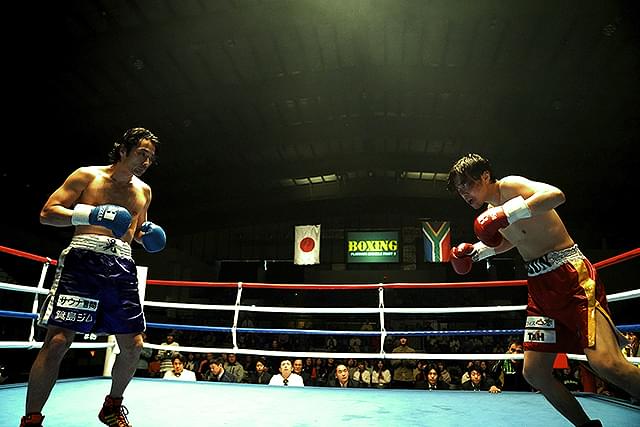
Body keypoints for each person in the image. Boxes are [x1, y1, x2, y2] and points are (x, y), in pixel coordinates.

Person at [447, 153, 640, 426]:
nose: (464, 192)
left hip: (570, 275)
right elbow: (509, 240)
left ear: (485, 176)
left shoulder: (510, 187)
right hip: (539, 287)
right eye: (459, 189)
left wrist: (506, 212)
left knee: (606, 364)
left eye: (467, 183)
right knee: (536, 373)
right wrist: (475, 252)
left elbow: (555, 195)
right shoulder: (487, 212)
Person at [19, 128, 165, 427]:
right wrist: (91, 215)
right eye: (142, 153)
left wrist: (145, 236)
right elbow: (48, 213)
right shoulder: (87, 176)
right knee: (58, 341)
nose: (146, 161)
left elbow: (133, 229)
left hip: (122, 264)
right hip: (84, 260)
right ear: (123, 150)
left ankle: (112, 406)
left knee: (134, 345)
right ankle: (32, 419)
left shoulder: (144, 191)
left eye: (151, 157)